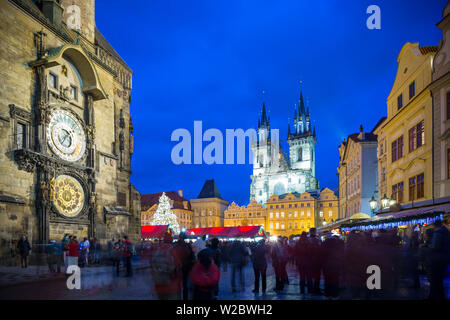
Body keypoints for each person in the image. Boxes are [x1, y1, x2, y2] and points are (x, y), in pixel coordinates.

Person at [150, 232, 182, 300]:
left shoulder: (157, 250)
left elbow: (151, 263)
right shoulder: (172, 249)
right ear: (171, 240)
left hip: (159, 284)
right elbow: (178, 265)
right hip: (171, 285)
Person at [428, 220, 450, 300]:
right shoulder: (446, 232)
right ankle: (440, 296)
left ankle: (435, 296)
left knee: (435, 279)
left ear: (435, 226)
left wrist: (429, 246)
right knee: (439, 280)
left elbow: (435, 246)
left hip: (437, 259)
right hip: (444, 258)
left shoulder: (438, 233)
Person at [172, 234, 195, 300]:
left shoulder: (175, 245)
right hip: (186, 267)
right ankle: (185, 297)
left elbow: (172, 256)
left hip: (177, 266)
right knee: (185, 284)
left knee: (177, 283)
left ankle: (177, 297)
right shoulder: (187, 245)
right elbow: (191, 256)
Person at [321, 233, 344, 299]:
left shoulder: (324, 246)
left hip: (326, 267)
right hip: (335, 266)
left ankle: (327, 294)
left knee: (327, 281)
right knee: (335, 280)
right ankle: (335, 294)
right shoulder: (337, 247)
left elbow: (321, 256)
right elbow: (340, 256)